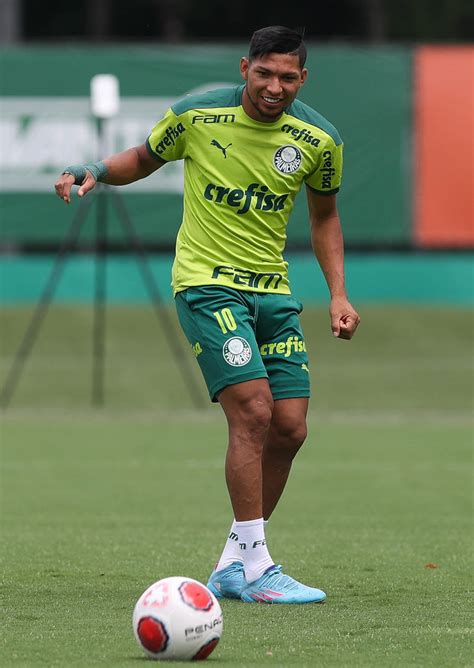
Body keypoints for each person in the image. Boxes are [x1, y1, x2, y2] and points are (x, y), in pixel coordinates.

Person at [55, 25, 360, 604]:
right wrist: (95, 169)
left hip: (273, 293)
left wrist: (338, 294)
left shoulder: (320, 138)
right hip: (207, 285)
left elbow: (325, 217)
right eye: (264, 73)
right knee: (253, 412)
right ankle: (257, 567)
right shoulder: (198, 116)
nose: (274, 87)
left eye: (287, 77)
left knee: (290, 428)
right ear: (244, 67)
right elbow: (144, 158)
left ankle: (234, 563)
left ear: (303, 78)